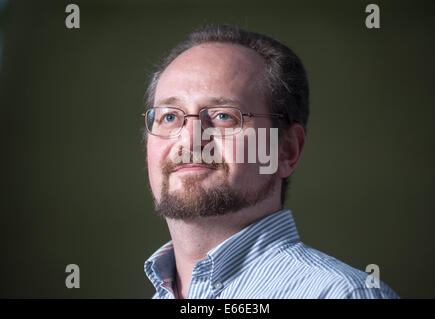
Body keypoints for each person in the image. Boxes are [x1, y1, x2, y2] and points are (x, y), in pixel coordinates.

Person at [142, 24, 399, 299]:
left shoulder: (343, 294)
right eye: (169, 117)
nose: (190, 140)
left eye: (223, 116)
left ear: (286, 150)